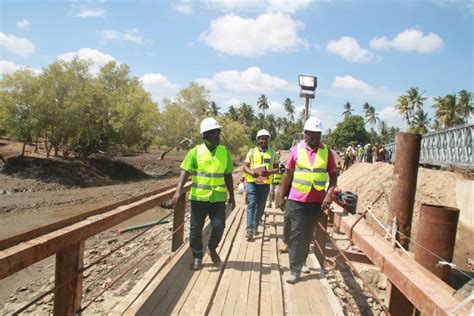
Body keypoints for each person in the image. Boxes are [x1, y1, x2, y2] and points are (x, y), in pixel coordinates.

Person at [276, 117, 338, 284]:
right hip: (296, 199)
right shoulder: (296, 150)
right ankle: (295, 269)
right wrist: (280, 194)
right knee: (296, 233)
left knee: (307, 234)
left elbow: (333, 176)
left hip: (316, 201)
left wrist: (328, 195)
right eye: (311, 135)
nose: (315, 138)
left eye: (318, 135)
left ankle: (302, 261)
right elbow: (287, 174)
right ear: (305, 134)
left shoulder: (327, 152)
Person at [172, 117, 236, 270]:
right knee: (195, 229)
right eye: (214, 133)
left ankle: (212, 247)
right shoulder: (195, 152)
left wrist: (232, 196)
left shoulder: (224, 152)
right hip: (198, 198)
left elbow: (228, 175)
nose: (218, 136)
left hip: (218, 198)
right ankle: (197, 256)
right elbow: (185, 171)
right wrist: (178, 192)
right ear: (204, 136)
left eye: (218, 132)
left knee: (219, 226)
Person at [243, 129, 279, 241]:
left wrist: (270, 172)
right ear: (258, 140)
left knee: (261, 206)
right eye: (262, 138)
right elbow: (245, 166)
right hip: (252, 183)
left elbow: (277, 168)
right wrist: (250, 172)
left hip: (265, 184)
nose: (264, 140)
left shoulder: (273, 153)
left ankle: (255, 225)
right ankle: (249, 230)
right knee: (252, 204)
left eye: (266, 138)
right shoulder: (251, 152)